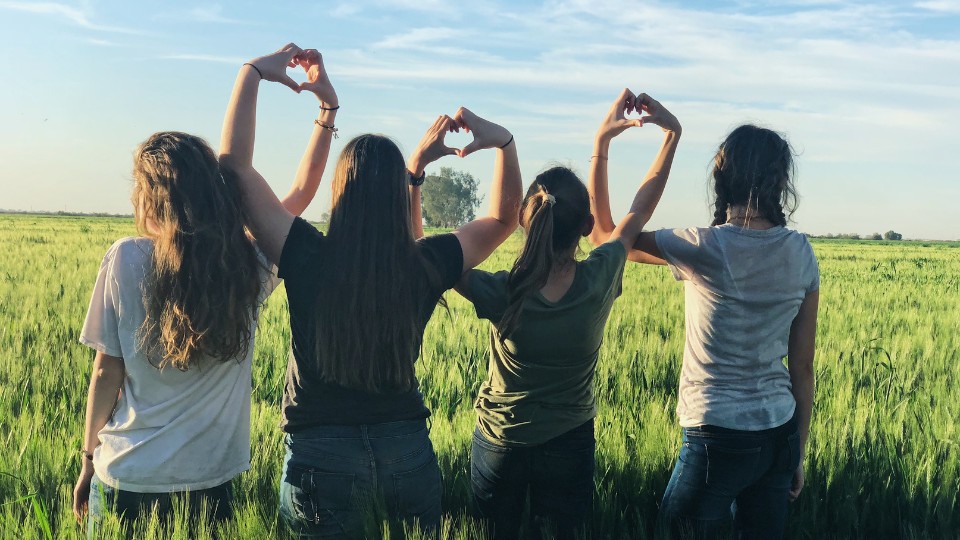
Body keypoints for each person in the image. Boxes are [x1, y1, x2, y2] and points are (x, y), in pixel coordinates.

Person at [218, 44, 523, 537]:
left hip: (320, 457)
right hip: (407, 452)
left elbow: (233, 169)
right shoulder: (426, 262)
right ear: (395, 197)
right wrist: (504, 143)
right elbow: (504, 218)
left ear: (341, 191)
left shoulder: (306, 253)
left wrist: (252, 72)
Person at [72, 52, 335, 536]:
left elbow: (107, 370)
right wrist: (326, 113)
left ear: (149, 197)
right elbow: (301, 191)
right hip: (210, 484)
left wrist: (89, 458)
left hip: (127, 475)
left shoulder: (125, 258)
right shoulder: (246, 265)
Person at [452, 89, 681, 539]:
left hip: (501, 441)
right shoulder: (599, 278)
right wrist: (664, 135)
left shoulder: (503, 290)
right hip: (570, 441)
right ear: (584, 224)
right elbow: (639, 210)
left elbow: (432, 260)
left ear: (525, 221)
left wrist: (416, 175)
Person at [589, 116, 819, 537]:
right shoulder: (801, 252)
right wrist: (798, 455)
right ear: (780, 181)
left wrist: (602, 144)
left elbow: (606, 236)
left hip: (717, 435)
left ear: (722, 177)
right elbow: (802, 367)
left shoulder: (704, 246)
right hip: (780, 436)